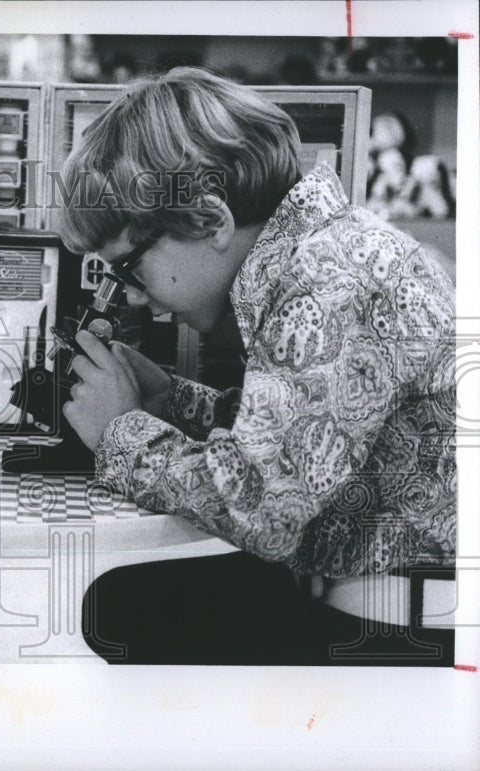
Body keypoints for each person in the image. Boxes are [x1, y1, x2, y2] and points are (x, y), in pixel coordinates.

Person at [58, 67, 457, 666]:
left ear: (211, 221)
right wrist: (170, 400)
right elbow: (310, 435)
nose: (131, 297)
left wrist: (122, 432)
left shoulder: (326, 284)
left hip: (405, 636)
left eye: (129, 269)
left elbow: (264, 512)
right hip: (390, 603)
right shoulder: (327, 251)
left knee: (114, 619)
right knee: (120, 606)